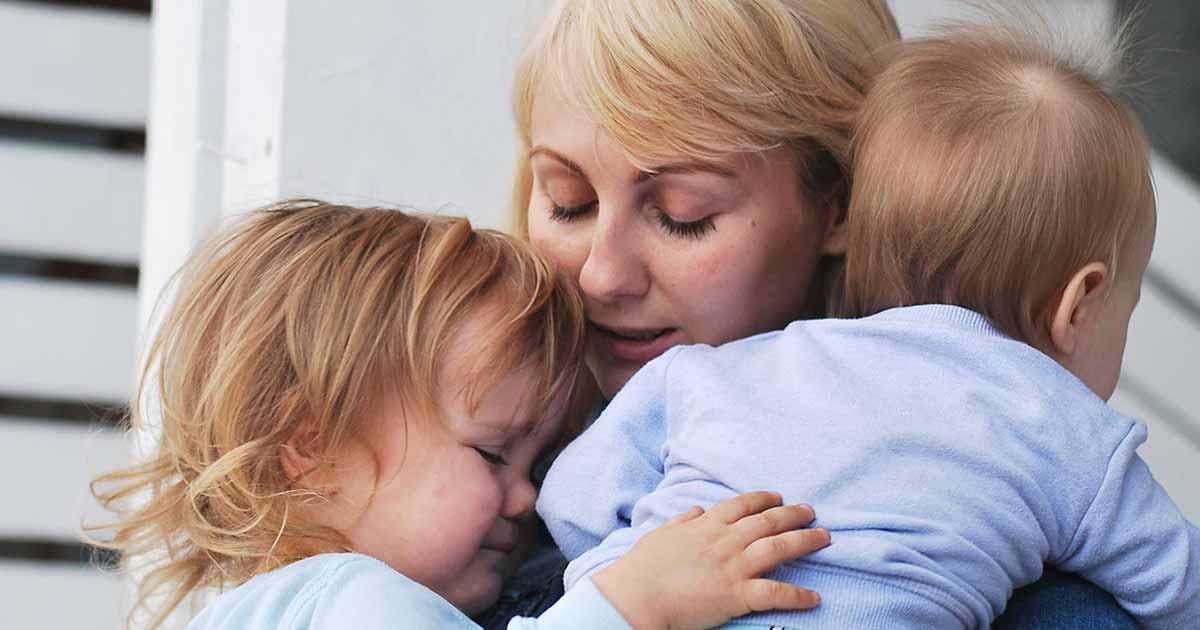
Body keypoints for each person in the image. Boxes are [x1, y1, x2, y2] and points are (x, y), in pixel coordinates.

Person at [485, 0, 1140, 627]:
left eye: (683, 216)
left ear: (840, 203)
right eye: (569, 202)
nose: (601, 274)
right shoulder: (437, 453)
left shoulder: (1033, 580)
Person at [88, 201, 832, 630]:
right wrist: (633, 603)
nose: (530, 498)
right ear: (308, 445)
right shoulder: (359, 603)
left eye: (539, 462)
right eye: (492, 452)